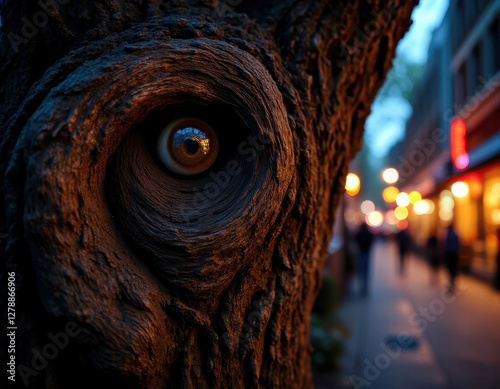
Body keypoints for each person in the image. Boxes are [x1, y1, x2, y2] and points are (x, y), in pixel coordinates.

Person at [355, 223, 374, 295]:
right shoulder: (369, 234)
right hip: (367, 253)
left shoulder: (360, 233)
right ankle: (365, 287)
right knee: (366, 271)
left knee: (361, 270)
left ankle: (361, 287)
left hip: (361, 252)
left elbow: (356, 238)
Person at [444, 225, 460, 290]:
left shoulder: (448, 235)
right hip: (455, 253)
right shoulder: (455, 235)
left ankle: (451, 281)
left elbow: (444, 243)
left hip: (449, 253)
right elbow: (459, 243)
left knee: (450, 268)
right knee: (454, 267)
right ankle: (453, 281)